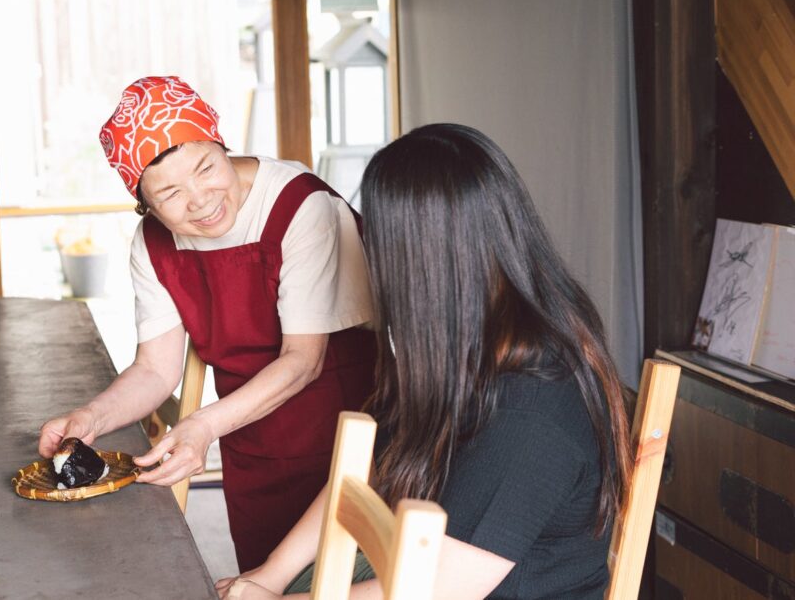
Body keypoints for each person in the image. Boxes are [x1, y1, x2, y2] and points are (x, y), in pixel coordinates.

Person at [215, 123, 633, 599]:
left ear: (418, 264)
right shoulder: (465, 355)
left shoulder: (531, 414)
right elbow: (362, 471)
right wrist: (266, 576)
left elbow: (433, 593)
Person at [38, 76, 377, 572]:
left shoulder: (300, 207)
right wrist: (92, 418)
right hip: (249, 442)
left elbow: (305, 361)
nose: (199, 200)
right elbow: (156, 370)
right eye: (170, 193)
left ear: (221, 143)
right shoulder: (152, 244)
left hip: (348, 437)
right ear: (145, 205)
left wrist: (202, 426)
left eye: (205, 168)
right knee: (259, 579)